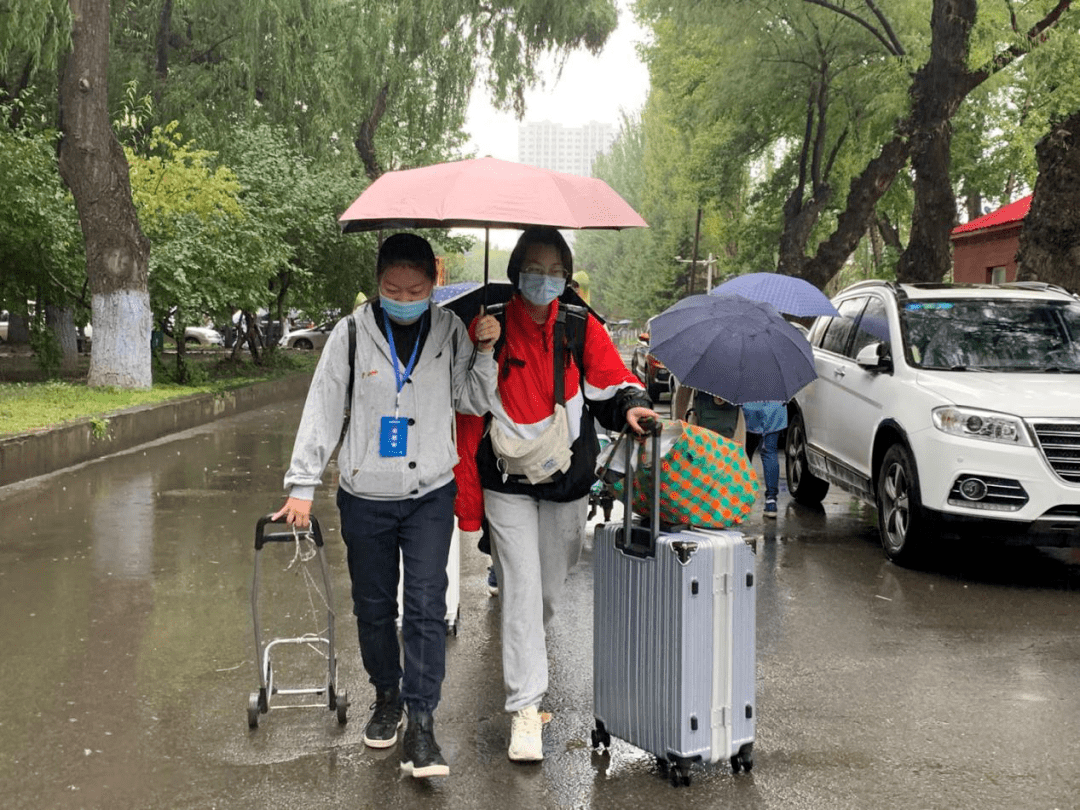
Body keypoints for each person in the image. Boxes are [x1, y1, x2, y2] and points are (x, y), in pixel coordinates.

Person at [274, 233, 500, 779]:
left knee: (426, 604)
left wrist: (488, 351)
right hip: (365, 495)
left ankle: (423, 721)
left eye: (415, 288)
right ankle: (387, 697)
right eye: (391, 288)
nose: (403, 296)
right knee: (375, 608)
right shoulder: (349, 334)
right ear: (377, 284)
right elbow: (324, 406)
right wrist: (301, 484)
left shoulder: (448, 330)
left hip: (429, 492)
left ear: (433, 283)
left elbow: (471, 399)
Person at [456, 226, 659, 763]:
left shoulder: (578, 324)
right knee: (520, 588)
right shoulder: (488, 318)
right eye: (534, 268)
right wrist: (480, 345)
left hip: (566, 479)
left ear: (566, 276)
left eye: (554, 270)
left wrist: (633, 405)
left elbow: (610, 384)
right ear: (516, 269)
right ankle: (526, 708)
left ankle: (528, 651)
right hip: (506, 480)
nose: (544, 279)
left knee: (545, 593)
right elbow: (462, 389)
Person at [740, 400, 787, 518]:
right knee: (770, 452)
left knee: (744, 453)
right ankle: (771, 501)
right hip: (774, 409)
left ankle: (742, 497)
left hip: (749, 408)